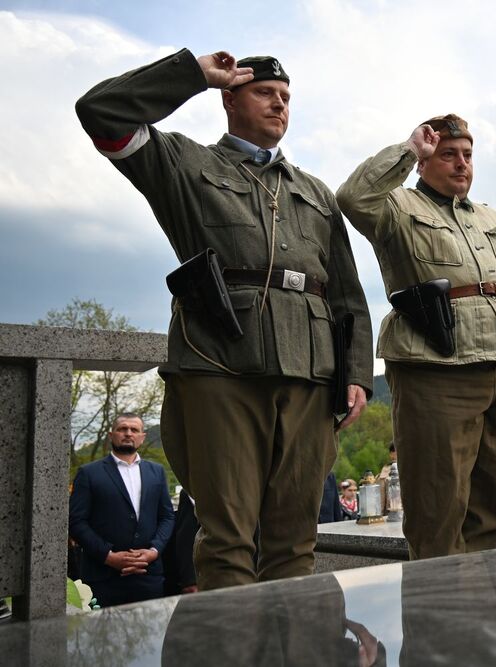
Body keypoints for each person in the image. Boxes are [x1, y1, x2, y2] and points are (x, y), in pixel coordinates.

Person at [76, 50, 374, 590]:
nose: (279, 104)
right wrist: (191, 73)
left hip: (309, 372)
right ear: (229, 98)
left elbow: (348, 294)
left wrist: (355, 373)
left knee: (295, 538)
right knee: (228, 537)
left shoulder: (315, 192)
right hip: (219, 361)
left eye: (286, 97)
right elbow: (101, 112)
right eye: (265, 93)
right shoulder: (185, 165)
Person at [337, 114, 496, 559]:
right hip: (435, 370)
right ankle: (441, 623)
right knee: (438, 509)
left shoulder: (494, 219)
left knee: (494, 504)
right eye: (448, 154)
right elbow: (352, 197)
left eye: (467, 155)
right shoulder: (398, 208)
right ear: (426, 160)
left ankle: (489, 619)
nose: (461, 164)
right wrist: (410, 149)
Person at [68, 414, 175, 607]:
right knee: (101, 636)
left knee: (150, 636)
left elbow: (167, 516)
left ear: (142, 437)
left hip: (148, 575)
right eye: (122, 429)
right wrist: (108, 556)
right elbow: (75, 521)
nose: (128, 433)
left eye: (134, 430)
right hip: (103, 578)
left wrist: (154, 550)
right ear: (111, 435)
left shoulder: (156, 472)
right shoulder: (88, 473)